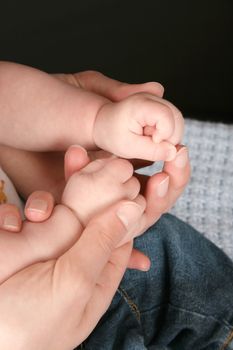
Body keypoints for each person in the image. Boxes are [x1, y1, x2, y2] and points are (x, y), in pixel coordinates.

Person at [0, 66, 232, 349]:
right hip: (42, 322)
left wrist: (96, 121)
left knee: (157, 246)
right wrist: (76, 217)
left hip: (83, 271)